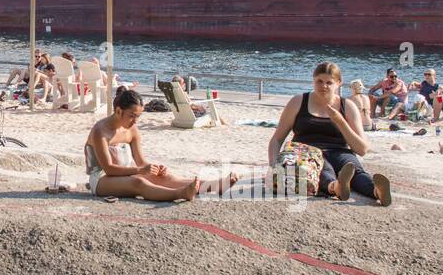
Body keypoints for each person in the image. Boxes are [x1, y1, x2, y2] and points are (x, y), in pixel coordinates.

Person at [270, 61, 392, 205]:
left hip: (339, 151)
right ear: (313, 80)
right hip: (306, 152)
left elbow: (362, 149)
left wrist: (340, 121)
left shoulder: (347, 106)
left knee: (354, 170)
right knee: (321, 169)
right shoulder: (298, 102)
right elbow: (277, 138)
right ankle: (336, 187)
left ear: (338, 83)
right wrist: (273, 165)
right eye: (319, 81)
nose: (324, 86)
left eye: (329, 82)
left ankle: (377, 191)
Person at [85, 88, 237, 200]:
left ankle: (215, 185)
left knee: (166, 177)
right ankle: (180, 194)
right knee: (138, 181)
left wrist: (153, 168)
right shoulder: (100, 131)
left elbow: (141, 162)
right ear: (118, 111)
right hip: (101, 179)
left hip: (128, 172)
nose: (135, 121)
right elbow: (109, 169)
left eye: (138, 116)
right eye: (132, 116)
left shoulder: (132, 130)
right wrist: (141, 170)